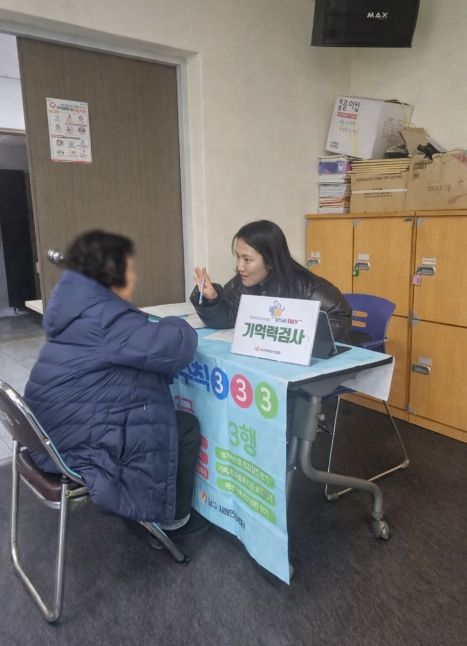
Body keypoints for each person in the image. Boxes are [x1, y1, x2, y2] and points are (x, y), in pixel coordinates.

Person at [25, 230, 208, 541]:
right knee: (183, 426)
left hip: (46, 437)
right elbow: (178, 347)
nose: (133, 277)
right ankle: (173, 522)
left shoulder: (72, 307)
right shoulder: (106, 317)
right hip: (72, 448)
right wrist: (176, 322)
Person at [191, 219, 351, 340]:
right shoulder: (244, 282)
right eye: (237, 257)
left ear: (270, 260)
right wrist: (212, 300)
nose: (239, 267)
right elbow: (227, 318)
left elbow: (339, 321)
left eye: (247, 259)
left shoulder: (312, 289)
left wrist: (291, 335)